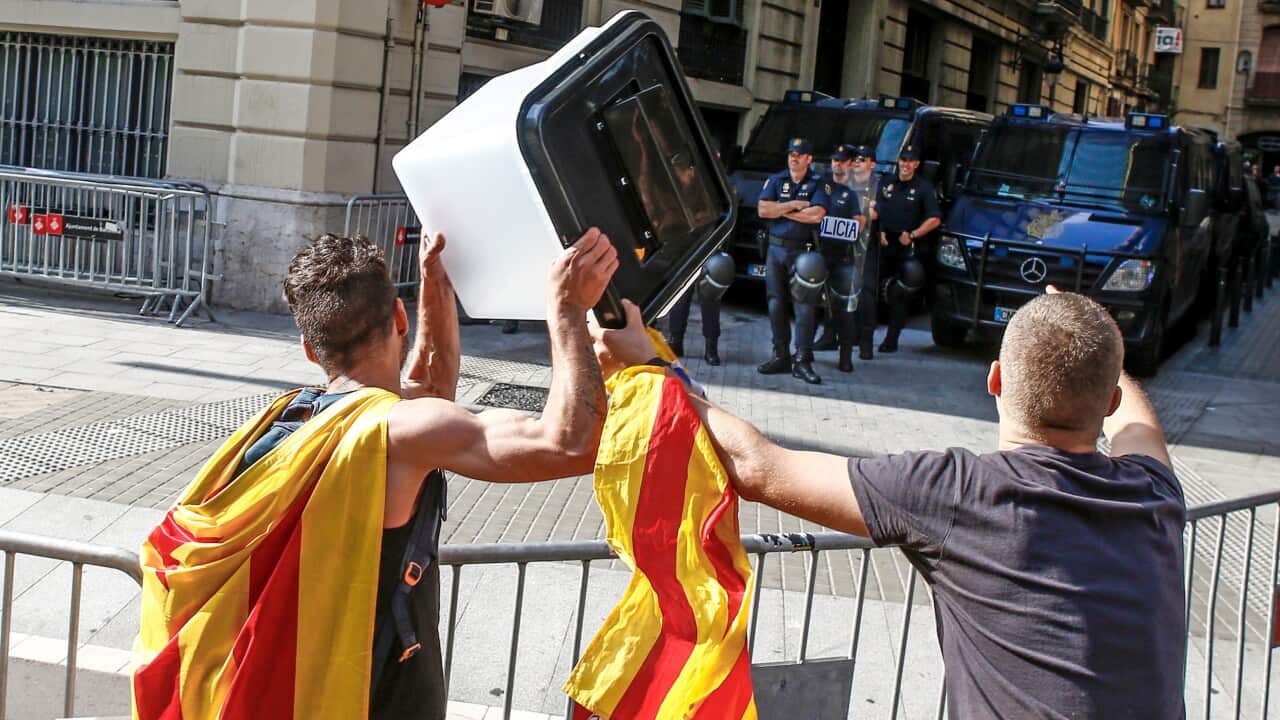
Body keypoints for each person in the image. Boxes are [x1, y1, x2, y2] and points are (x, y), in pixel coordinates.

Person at [591, 287, 1185, 719]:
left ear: (995, 380)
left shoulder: (958, 492)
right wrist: (1089, 338)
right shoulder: (1153, 493)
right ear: (1106, 402)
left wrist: (649, 364)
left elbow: (756, 465)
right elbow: (1138, 427)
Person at [135, 228, 619, 720]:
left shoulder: (288, 421)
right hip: (372, 700)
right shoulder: (397, 432)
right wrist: (566, 310)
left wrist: (437, 284)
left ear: (309, 346)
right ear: (399, 318)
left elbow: (428, 388)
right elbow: (569, 443)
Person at [756, 137, 828, 384]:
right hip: (775, 250)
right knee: (776, 304)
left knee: (805, 307)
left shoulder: (818, 183)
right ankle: (781, 356)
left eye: (799, 154)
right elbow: (763, 210)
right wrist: (796, 205)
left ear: (809, 159)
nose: (793, 158)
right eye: (791, 153)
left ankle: (802, 360)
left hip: (803, 253)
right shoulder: (776, 180)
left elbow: (817, 215)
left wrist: (781, 209)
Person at [874, 143, 941, 353]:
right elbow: (875, 209)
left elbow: (935, 219)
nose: (906, 165)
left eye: (910, 161)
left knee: (898, 296)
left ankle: (891, 339)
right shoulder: (886, 183)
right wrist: (879, 231)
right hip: (883, 244)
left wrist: (913, 235)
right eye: (903, 160)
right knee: (870, 289)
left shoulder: (923, 188)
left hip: (906, 248)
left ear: (916, 164)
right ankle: (864, 334)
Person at [814, 144, 865, 373]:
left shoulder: (853, 192)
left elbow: (860, 222)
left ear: (850, 164)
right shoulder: (821, 185)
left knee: (844, 308)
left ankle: (845, 356)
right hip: (818, 252)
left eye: (842, 161)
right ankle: (804, 351)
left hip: (842, 256)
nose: (837, 164)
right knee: (810, 303)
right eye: (835, 160)